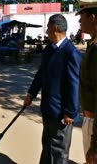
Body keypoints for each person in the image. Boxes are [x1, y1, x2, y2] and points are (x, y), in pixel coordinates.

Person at [23, 14, 82, 164]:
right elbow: (41, 74)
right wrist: (31, 93)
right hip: (48, 109)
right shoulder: (49, 49)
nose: (46, 30)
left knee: (59, 152)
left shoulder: (71, 53)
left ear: (55, 28)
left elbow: (74, 85)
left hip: (62, 114)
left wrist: (70, 111)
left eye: (48, 27)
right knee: (47, 146)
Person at [75, 0, 97, 163]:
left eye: (81, 17)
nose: (79, 22)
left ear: (93, 18)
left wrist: (95, 145)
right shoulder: (93, 45)